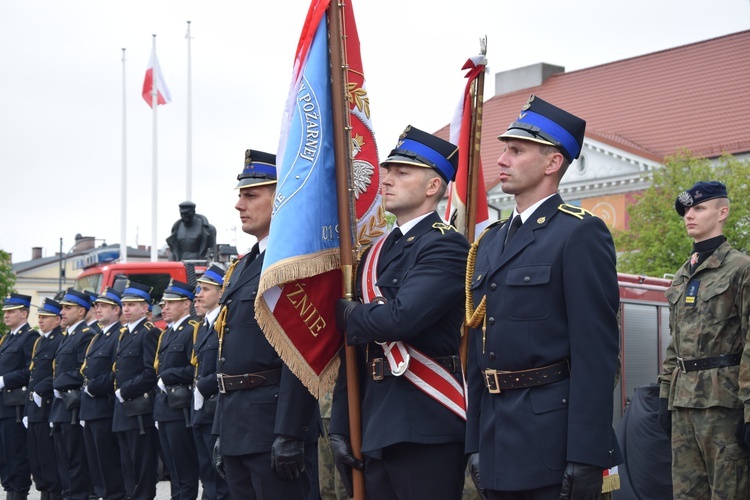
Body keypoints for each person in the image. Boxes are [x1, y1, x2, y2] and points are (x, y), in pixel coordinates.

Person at [464, 95, 622, 499]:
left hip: (551, 440)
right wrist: (475, 441)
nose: (501, 159)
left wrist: (587, 454)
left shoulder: (578, 233)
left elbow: (596, 352)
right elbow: (480, 349)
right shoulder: (490, 240)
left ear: (552, 163)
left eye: (515, 150)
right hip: (496, 437)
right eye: (504, 149)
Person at [331, 126, 470, 499]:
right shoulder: (375, 252)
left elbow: (401, 319)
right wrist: (342, 427)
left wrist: (349, 314)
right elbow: (354, 351)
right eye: (387, 170)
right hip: (376, 422)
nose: (386, 180)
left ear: (433, 187)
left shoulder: (447, 246)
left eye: (401, 172)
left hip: (426, 422)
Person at [212, 149, 320, 500]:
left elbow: (300, 354)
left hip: (272, 424)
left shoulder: (294, 262)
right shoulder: (245, 266)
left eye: (251, 195)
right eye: (240, 195)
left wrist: (290, 432)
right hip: (237, 424)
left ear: (281, 199)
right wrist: (220, 432)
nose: (239, 205)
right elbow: (227, 358)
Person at [658, 181, 750, 498]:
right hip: (683, 403)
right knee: (686, 493)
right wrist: (663, 395)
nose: (689, 216)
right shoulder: (683, 275)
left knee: (730, 491)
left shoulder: (741, 269)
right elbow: (675, 341)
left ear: (722, 212)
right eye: (686, 211)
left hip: (724, 404)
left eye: (699, 208)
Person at [112, 281, 161, 500]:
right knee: (127, 467)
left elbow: (150, 373)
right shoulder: (125, 334)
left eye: (133, 304)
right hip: (123, 411)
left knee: (142, 469)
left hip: (139, 411)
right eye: (125, 304)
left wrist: (125, 391)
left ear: (145, 308)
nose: (127, 309)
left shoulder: (148, 333)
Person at [154, 280, 200, 500]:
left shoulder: (192, 329)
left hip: (180, 408)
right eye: (164, 304)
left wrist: (167, 376)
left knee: (184, 467)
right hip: (165, 407)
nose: (164, 308)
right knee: (172, 467)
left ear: (186, 304)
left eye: (171, 303)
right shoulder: (167, 333)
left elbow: (195, 369)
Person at [80, 288, 126, 500]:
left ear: (116, 310)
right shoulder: (99, 336)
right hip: (90, 409)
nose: (98, 310)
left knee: (109, 467)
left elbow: (117, 372)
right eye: (97, 306)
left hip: (104, 407)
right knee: (96, 467)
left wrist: (93, 387)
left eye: (104, 306)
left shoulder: (118, 335)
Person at [50, 289, 95, 500]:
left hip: (73, 407)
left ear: (81, 311)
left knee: (75, 462)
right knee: (62, 462)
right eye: (62, 308)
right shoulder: (68, 336)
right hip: (61, 408)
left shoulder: (85, 336)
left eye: (68, 308)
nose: (62, 312)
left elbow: (82, 370)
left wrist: (58, 382)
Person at [191, 266, 230, 500]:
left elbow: (224, 364)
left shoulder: (223, 323)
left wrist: (202, 387)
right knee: (206, 472)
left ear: (221, 292)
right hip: (202, 411)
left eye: (205, 289)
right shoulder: (205, 325)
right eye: (199, 289)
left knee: (219, 477)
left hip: (216, 408)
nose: (199, 294)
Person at [26, 299, 65, 500]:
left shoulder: (60, 339)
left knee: (50, 464)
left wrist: (42, 390)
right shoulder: (41, 341)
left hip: (48, 407)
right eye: (39, 317)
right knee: (38, 463)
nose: (40, 320)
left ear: (57, 320)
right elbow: (33, 375)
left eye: (45, 317)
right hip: (34, 409)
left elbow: (57, 373)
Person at [0, 294, 36, 500]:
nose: (6, 315)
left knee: (16, 458)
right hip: (3, 406)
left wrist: (4, 380)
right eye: (5, 311)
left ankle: (18, 494)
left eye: (11, 311)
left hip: (15, 406)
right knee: (4, 459)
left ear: (24, 313)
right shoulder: (8, 338)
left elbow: (30, 370)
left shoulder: (29, 337)